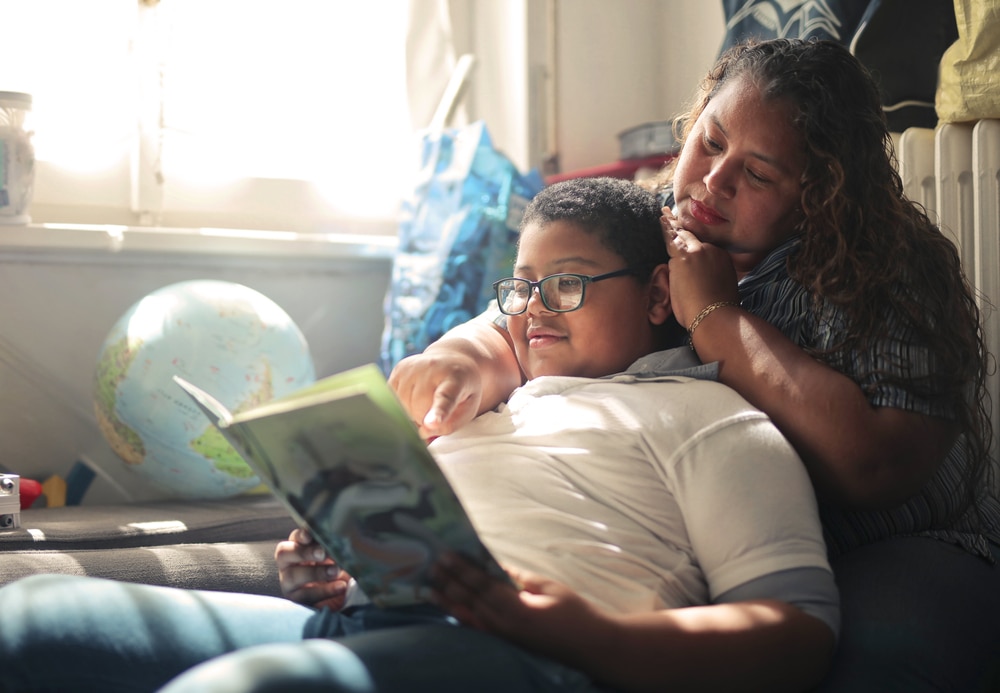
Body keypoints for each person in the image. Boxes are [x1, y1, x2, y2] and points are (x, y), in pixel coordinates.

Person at [0, 177, 838, 693]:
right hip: (367, 624)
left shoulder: (712, 417)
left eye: (570, 284)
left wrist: (588, 632)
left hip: (531, 661)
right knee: (32, 612)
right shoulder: (487, 405)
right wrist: (325, 559)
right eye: (521, 288)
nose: (535, 308)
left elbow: (797, 631)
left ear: (659, 295)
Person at [389, 38, 1000, 692]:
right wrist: (457, 358)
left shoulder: (882, 264)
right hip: (706, 529)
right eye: (709, 143)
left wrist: (715, 316)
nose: (713, 181)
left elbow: (871, 466)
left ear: (819, 195)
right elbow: (531, 311)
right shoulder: (664, 220)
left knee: (873, 655)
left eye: (758, 174)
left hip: (885, 542)